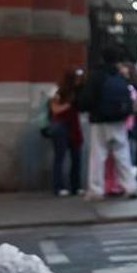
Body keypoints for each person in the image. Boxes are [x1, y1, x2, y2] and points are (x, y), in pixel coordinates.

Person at [77, 45, 137, 200]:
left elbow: (87, 99)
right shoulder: (119, 76)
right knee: (123, 154)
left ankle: (96, 189)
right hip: (118, 120)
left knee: (98, 155)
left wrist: (82, 106)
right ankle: (130, 186)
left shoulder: (96, 75)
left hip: (99, 120)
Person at [48, 68, 84, 196]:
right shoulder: (57, 90)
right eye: (77, 78)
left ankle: (76, 186)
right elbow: (55, 109)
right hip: (61, 126)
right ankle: (58, 186)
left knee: (76, 157)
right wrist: (69, 104)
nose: (78, 80)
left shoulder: (78, 92)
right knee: (60, 157)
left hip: (74, 126)